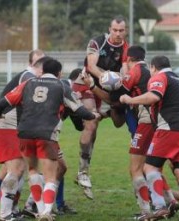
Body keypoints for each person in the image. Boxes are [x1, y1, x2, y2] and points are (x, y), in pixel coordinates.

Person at [0, 58, 100, 221]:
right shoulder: (62, 86)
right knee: (51, 175)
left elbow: (3, 102)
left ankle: (36, 208)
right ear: (59, 73)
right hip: (47, 134)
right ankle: (45, 211)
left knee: (33, 171)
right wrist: (95, 115)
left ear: (42, 71)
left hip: (24, 133)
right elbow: (81, 112)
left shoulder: (28, 84)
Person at [120, 55, 179, 221]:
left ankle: (159, 206)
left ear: (153, 67)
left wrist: (130, 99)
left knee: (150, 168)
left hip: (169, 128)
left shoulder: (159, 77)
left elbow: (154, 96)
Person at [82, 45, 155, 219]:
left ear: (128, 60)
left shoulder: (134, 73)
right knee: (151, 168)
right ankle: (172, 202)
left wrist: (92, 85)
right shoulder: (146, 74)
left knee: (139, 169)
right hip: (153, 125)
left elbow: (114, 100)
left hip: (145, 127)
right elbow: (120, 113)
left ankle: (151, 209)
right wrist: (105, 114)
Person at [72, 15, 129, 199]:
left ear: (125, 31)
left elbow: (126, 72)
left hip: (104, 89)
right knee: (91, 122)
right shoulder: (97, 42)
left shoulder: (126, 48)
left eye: (121, 30)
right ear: (109, 29)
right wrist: (108, 77)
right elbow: (91, 65)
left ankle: (83, 170)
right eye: (115, 30)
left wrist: (121, 80)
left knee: (113, 121)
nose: (118, 34)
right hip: (85, 82)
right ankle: (82, 172)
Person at [0, 56, 51, 221]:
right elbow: (3, 103)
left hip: (15, 128)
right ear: (39, 69)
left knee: (21, 169)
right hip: (4, 127)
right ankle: (4, 214)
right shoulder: (28, 77)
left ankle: (14, 209)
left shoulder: (36, 81)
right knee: (15, 169)